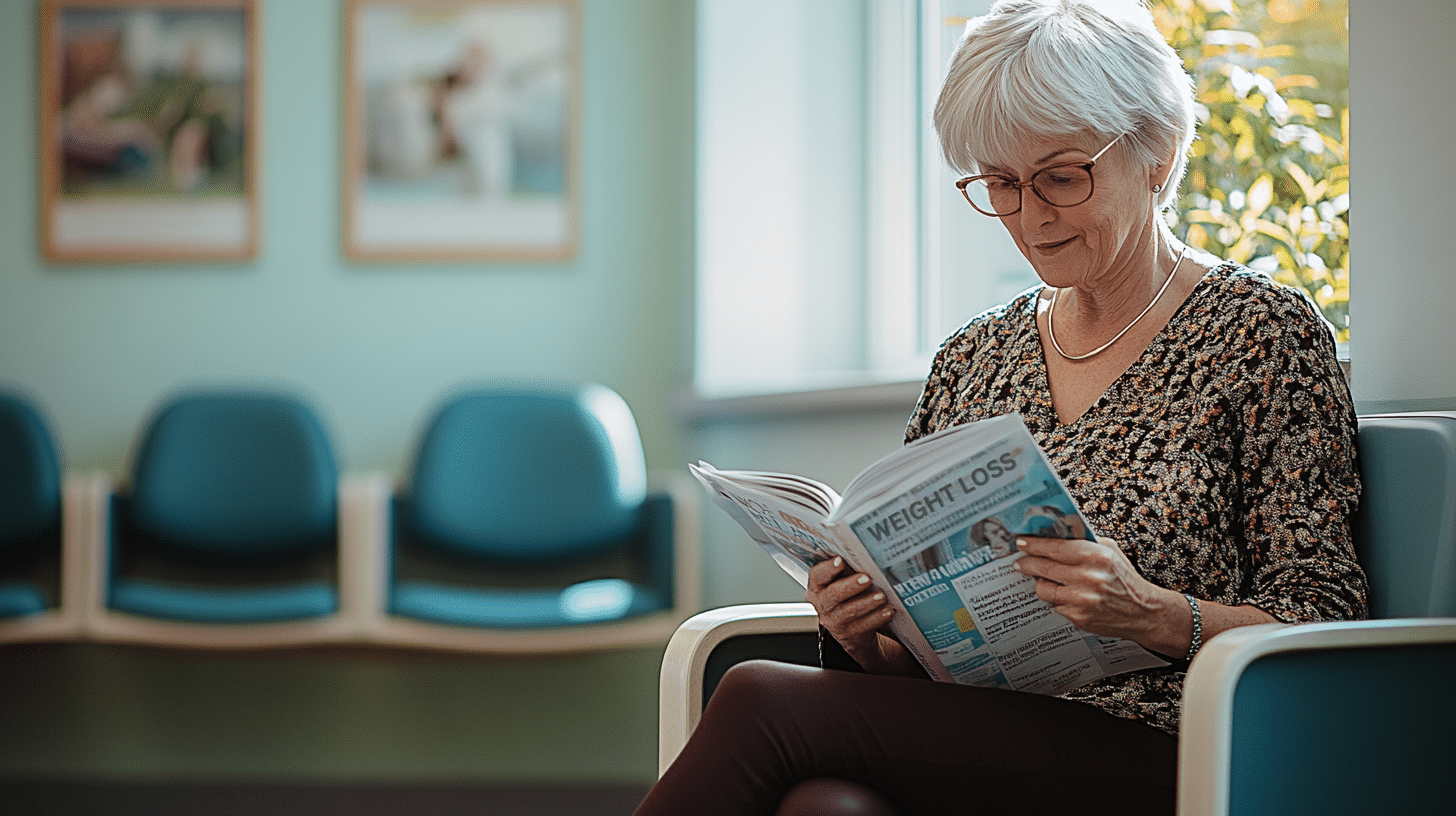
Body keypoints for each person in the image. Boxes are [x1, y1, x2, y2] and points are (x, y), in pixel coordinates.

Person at [634, 1, 1367, 814]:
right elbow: (916, 664)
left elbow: (1319, 621)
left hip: (1179, 750)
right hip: (988, 740)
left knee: (761, 700)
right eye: (1001, 184)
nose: (1030, 216)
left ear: (1157, 153)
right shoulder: (974, 355)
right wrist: (866, 634)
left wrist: (1152, 614)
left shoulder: (1261, 333)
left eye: (1060, 176)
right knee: (826, 807)